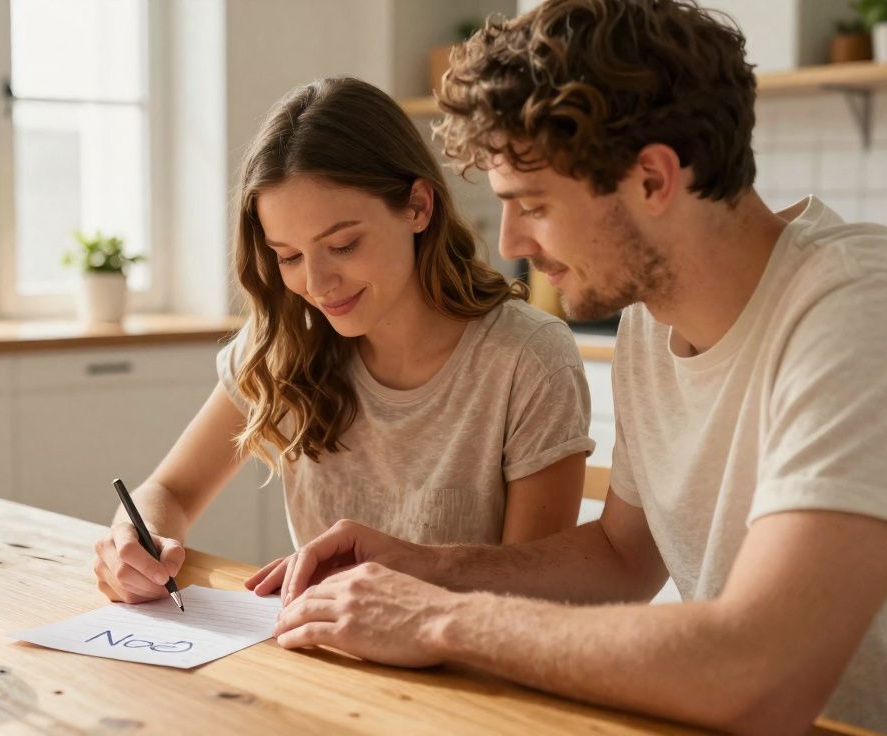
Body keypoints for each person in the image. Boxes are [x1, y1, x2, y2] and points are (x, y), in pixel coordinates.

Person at [252, 2, 887, 734]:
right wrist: (421, 566)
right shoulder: (651, 326)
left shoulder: (864, 304)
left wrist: (441, 618)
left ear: (652, 178)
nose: (511, 239)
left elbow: (763, 672)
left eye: (534, 205)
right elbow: (620, 559)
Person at [92, 77, 596, 607]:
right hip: (326, 662)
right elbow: (169, 492)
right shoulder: (286, 343)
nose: (317, 283)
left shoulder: (528, 357)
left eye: (343, 244)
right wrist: (134, 538)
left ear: (418, 206)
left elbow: (535, 599)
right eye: (288, 256)